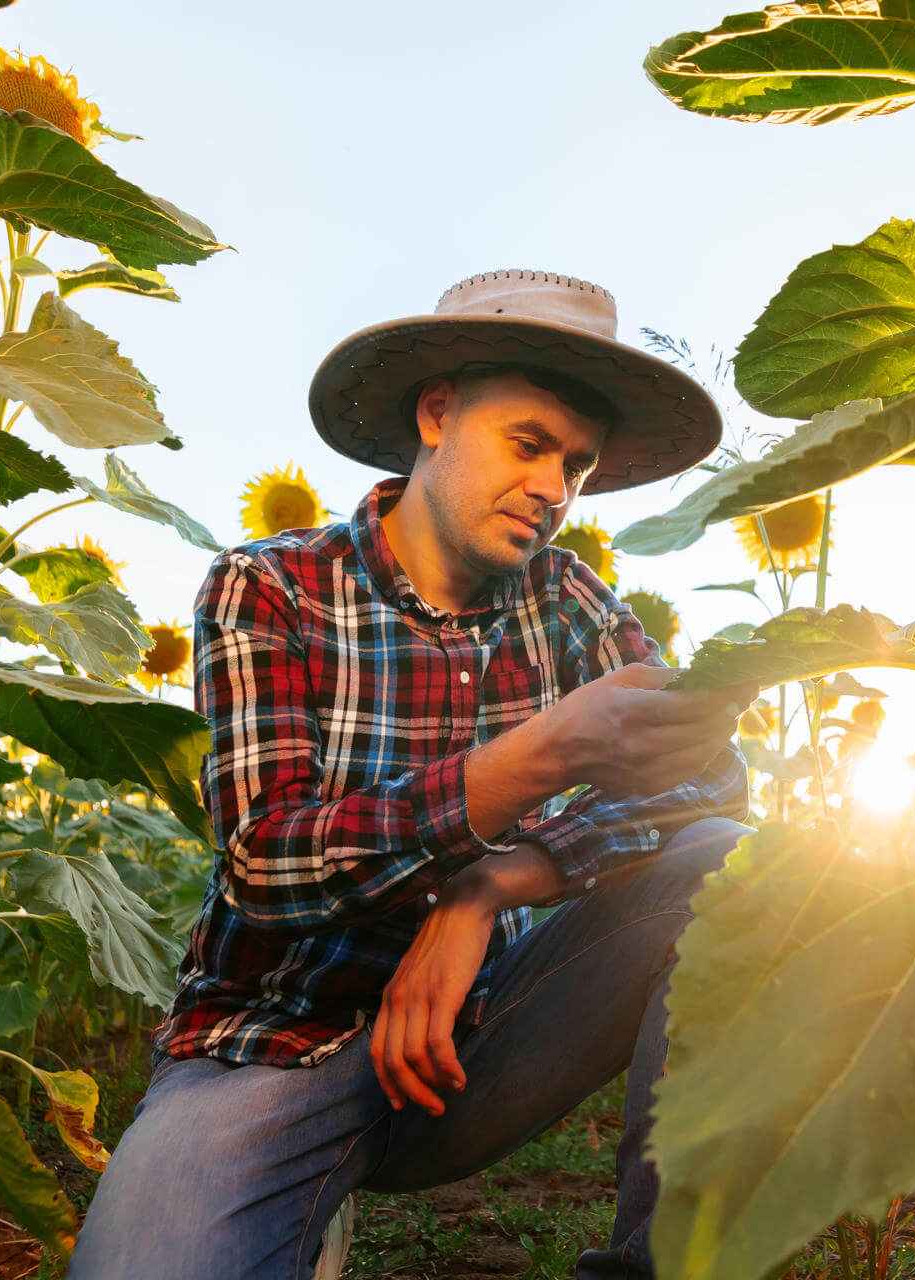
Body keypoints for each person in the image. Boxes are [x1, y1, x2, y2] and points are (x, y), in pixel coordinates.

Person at [69, 269, 755, 1278]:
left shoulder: (565, 597)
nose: (555, 489)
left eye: (576, 463)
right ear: (437, 414)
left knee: (730, 865)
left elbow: (711, 774)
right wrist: (540, 757)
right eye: (529, 444)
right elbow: (266, 860)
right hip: (272, 1045)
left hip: (482, 1038)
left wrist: (492, 886)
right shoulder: (271, 585)